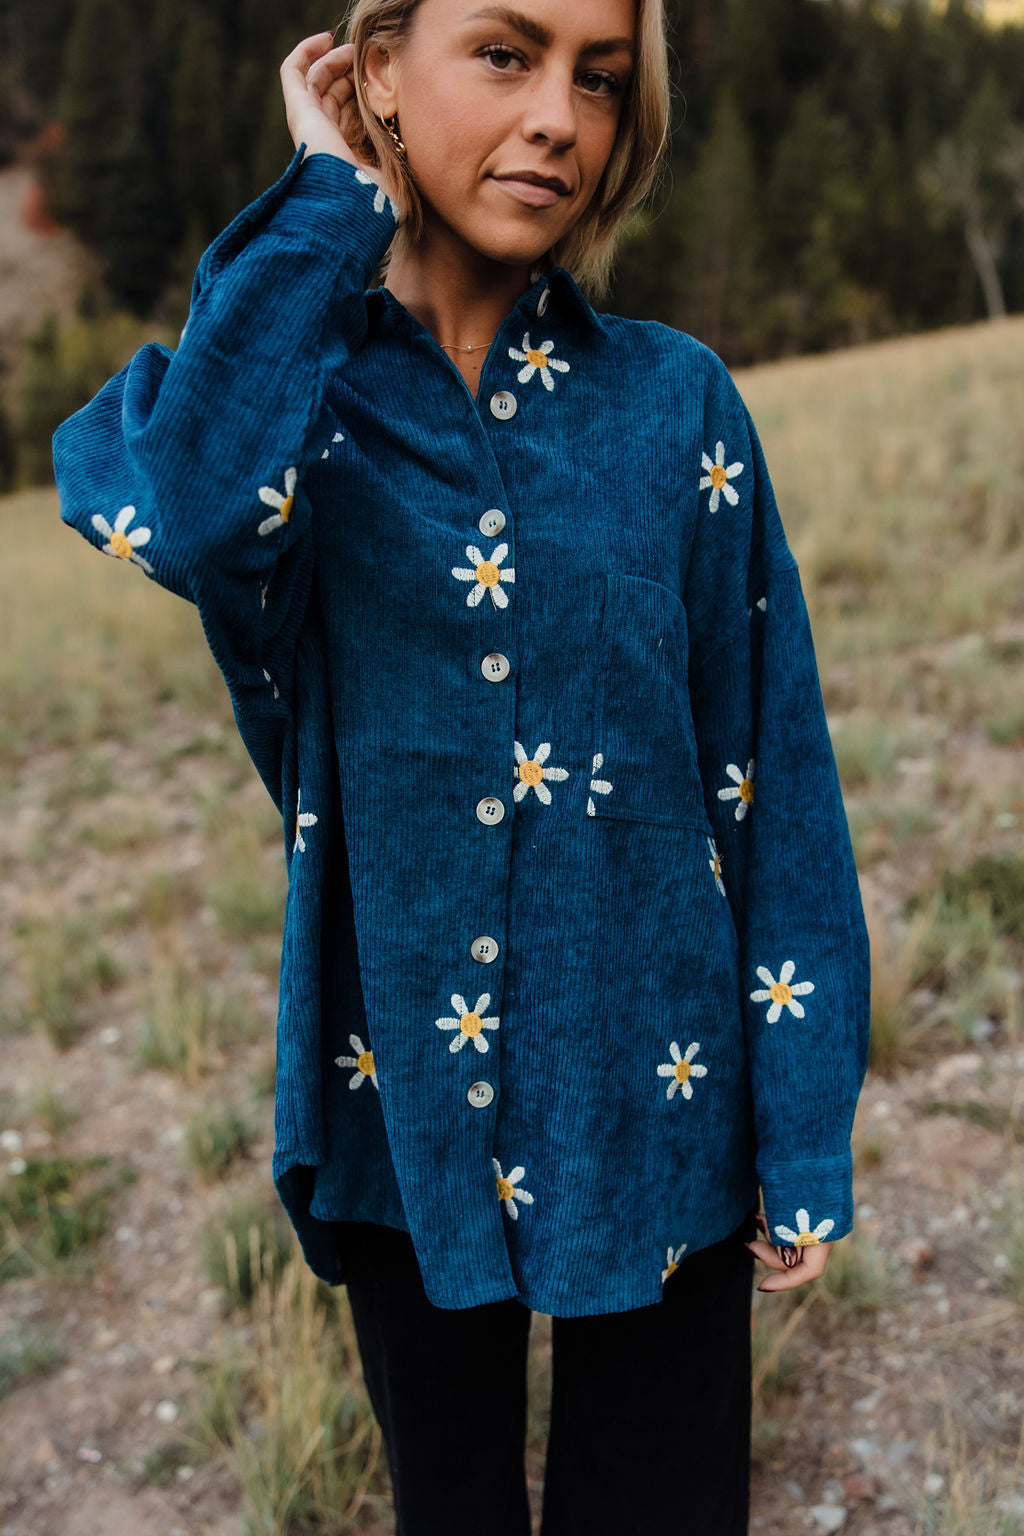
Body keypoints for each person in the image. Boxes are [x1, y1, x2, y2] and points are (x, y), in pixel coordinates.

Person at [52, 2, 871, 1530]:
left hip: (659, 1087)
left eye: (601, 79)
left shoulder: (675, 404)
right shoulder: (287, 408)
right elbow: (185, 512)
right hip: (397, 1094)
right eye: (506, 52)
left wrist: (803, 1117)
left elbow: (771, 776)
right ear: (377, 70)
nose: (560, 115)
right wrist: (327, 205)